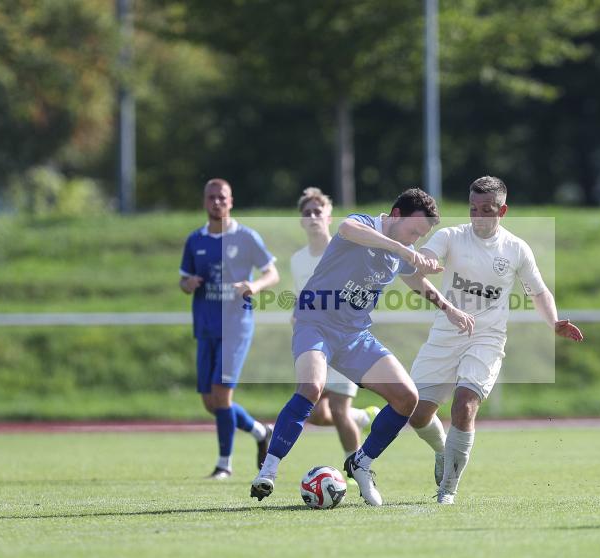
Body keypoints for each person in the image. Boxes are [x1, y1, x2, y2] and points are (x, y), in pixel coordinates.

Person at [250, 188, 474, 506]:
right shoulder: (364, 224)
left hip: (355, 337)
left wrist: (449, 308)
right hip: (315, 323)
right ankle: (268, 472)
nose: (415, 240)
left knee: (407, 397)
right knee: (312, 386)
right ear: (395, 215)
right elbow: (346, 229)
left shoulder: (402, 249)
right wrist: (404, 250)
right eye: (413, 231)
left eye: (420, 236)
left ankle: (361, 463)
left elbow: (415, 280)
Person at [407, 175, 584, 504]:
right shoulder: (451, 236)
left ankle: (447, 489)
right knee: (415, 413)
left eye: (487, 209)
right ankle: (441, 450)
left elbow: (539, 291)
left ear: (502, 211)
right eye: (473, 208)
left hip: (487, 338)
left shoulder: (516, 248)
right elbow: (424, 259)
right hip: (445, 335)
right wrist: (425, 262)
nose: (478, 216)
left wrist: (554, 322)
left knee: (464, 405)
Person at [179, 178, 280, 479]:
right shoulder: (195, 240)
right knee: (211, 403)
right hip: (206, 325)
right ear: (204, 202)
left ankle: (224, 464)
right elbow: (183, 281)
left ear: (231, 201)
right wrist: (188, 284)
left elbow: (271, 273)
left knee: (221, 396)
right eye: (211, 197)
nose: (217, 202)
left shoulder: (246, 237)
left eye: (222, 197)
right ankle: (262, 432)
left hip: (236, 326)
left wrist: (254, 285)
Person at [289, 187, 381, 462]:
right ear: (302, 221)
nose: (313, 216)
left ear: (329, 217)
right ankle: (362, 417)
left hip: (343, 336)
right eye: (308, 213)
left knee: (339, 408)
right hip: (313, 339)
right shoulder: (298, 259)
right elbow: (302, 295)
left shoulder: (344, 250)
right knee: (317, 413)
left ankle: (356, 469)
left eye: (319, 211)